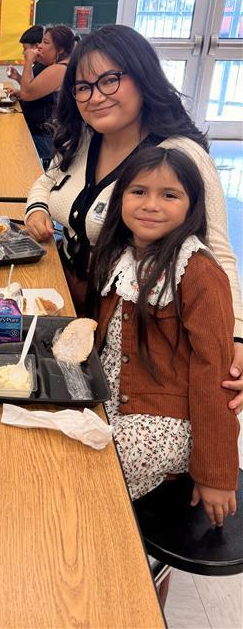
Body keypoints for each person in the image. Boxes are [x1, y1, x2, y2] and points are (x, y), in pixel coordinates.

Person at [24, 24, 243, 411]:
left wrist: (238, 337)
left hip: (129, 333)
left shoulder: (179, 156)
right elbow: (45, 182)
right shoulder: (83, 138)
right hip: (66, 301)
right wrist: (37, 209)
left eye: (109, 80)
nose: (95, 97)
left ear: (142, 78)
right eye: (83, 87)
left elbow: (219, 257)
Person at [90, 146, 238, 525]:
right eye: (138, 191)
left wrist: (216, 474)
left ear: (192, 205)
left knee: (89, 475)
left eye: (169, 195)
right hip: (113, 401)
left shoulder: (200, 273)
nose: (151, 204)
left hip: (165, 421)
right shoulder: (120, 254)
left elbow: (214, 376)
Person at [11, 25, 78, 167]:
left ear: (60, 50)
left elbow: (27, 93)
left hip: (47, 139)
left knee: (9, 146)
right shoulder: (61, 66)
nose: (39, 47)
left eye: (45, 43)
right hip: (47, 134)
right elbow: (33, 92)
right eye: (41, 42)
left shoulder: (59, 69)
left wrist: (29, 60)